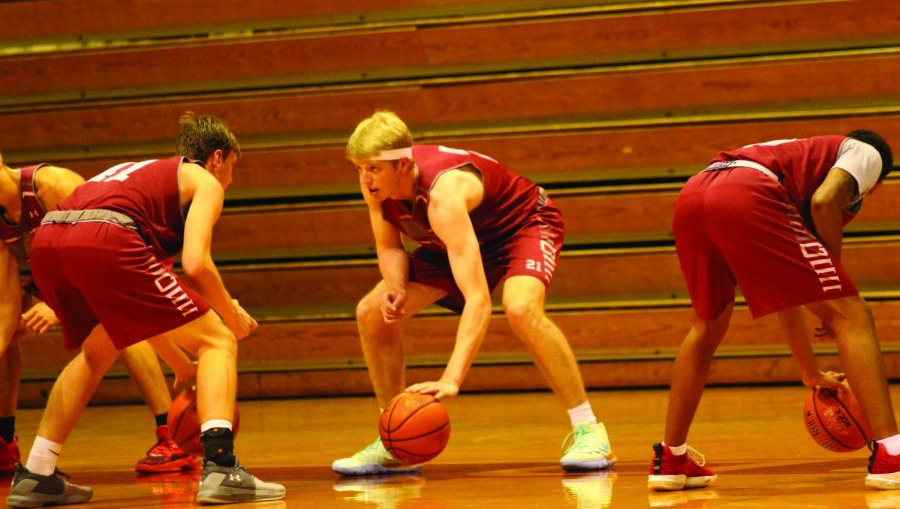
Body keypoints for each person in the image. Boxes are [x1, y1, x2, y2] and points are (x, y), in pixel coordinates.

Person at [6, 114, 285, 506]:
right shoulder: (203, 180)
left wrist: (180, 364)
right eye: (233, 169)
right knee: (218, 340)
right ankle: (221, 466)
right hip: (105, 236)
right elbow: (197, 264)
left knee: (97, 350)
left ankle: (36, 471)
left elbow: (143, 313)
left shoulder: (146, 180)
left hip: (52, 240)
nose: (230, 180)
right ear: (217, 158)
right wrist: (230, 314)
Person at [333, 110, 615, 475]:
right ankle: (394, 439)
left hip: (521, 226)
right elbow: (389, 247)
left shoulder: (443, 196)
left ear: (402, 165)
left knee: (521, 309)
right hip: (454, 238)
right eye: (359, 168)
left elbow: (478, 299)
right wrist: (396, 285)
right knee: (371, 312)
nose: (365, 178)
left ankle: (589, 429)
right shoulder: (378, 186)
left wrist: (452, 377)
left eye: (372, 168)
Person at [647, 130, 900, 492]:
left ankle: (670, 457)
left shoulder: (797, 163)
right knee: (853, 314)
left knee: (706, 326)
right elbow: (826, 201)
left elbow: (787, 295)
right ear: (874, 184)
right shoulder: (867, 153)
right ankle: (892, 452)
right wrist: (833, 280)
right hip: (746, 190)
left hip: (694, 192)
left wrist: (810, 372)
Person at [0, 152, 199, 475]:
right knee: (5, 337)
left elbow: (88, 244)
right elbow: (6, 303)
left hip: (112, 252)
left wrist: (55, 304)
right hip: (58, 270)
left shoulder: (51, 184)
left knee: (116, 325)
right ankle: (5, 441)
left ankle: (168, 434)